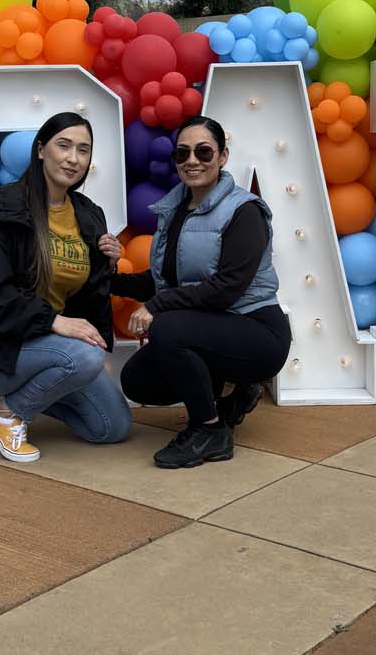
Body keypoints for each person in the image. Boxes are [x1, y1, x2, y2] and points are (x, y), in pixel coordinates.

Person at [0, 111, 132, 463]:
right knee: (87, 355)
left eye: (83, 149)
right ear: (40, 150)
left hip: (47, 349)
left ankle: (30, 395)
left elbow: (83, 292)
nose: (73, 158)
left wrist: (105, 264)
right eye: (63, 146)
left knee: (112, 427)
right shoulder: (3, 209)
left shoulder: (88, 213)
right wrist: (54, 322)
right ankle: (7, 412)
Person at [112, 116, 291, 469]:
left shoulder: (244, 211)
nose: (192, 160)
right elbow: (166, 279)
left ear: (223, 156)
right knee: (137, 382)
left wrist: (156, 306)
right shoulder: (175, 209)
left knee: (166, 329)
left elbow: (226, 289)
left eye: (203, 151)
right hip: (214, 326)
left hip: (257, 330)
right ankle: (229, 395)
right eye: (183, 153)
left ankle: (209, 431)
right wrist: (108, 281)